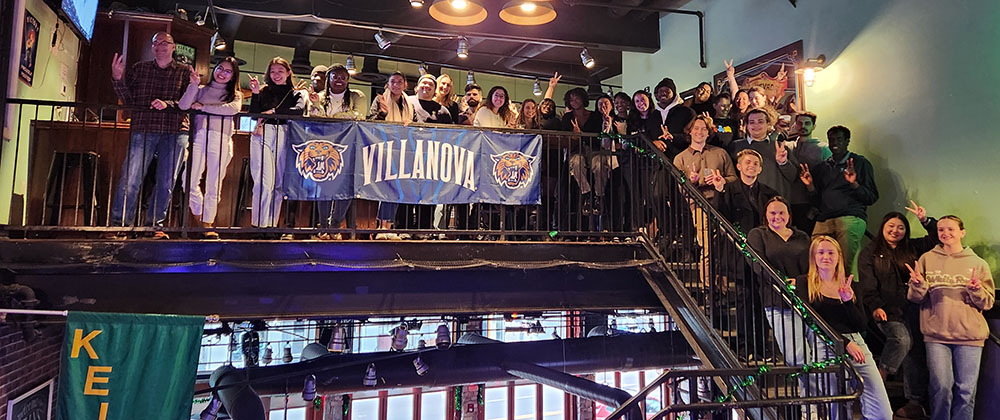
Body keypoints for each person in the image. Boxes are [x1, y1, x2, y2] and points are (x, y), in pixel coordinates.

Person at [907, 216, 994, 420]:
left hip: (970, 336)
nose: (945, 233)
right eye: (940, 230)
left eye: (950, 229)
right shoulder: (927, 259)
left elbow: (987, 303)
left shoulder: (978, 263)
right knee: (941, 388)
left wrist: (976, 291)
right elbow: (914, 298)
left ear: (962, 232)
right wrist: (919, 286)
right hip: (936, 336)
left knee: (966, 391)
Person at [797, 235, 893, 420]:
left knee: (882, 411)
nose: (826, 256)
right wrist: (844, 343)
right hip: (824, 343)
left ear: (839, 256)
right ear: (813, 257)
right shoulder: (804, 282)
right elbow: (813, 320)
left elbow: (861, 324)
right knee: (838, 409)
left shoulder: (850, 284)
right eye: (821, 252)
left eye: (831, 252)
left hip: (856, 343)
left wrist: (848, 302)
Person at [108, 32, 192, 239]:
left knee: (166, 182)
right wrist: (118, 78)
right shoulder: (139, 69)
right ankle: (119, 226)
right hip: (143, 127)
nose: (161, 46)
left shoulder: (184, 72)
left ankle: (154, 226)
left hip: (175, 131)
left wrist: (168, 104)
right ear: (152, 47)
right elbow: (129, 100)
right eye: (156, 42)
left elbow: (188, 103)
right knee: (130, 179)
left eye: (165, 43)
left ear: (174, 47)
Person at [859, 203, 938, 419]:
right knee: (902, 340)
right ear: (883, 227)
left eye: (900, 227)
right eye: (891, 226)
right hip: (885, 310)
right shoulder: (870, 253)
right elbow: (867, 285)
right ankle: (879, 375)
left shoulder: (911, 249)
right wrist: (875, 306)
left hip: (913, 308)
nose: (895, 230)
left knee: (914, 351)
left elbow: (936, 238)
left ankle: (914, 402)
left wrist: (925, 220)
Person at [799, 125, 878, 277]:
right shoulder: (821, 168)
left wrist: (854, 184)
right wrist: (810, 186)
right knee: (817, 264)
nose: (835, 143)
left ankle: (848, 298)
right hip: (824, 219)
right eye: (832, 139)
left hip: (850, 217)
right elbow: (816, 201)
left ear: (847, 141)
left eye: (839, 139)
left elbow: (871, 197)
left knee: (845, 267)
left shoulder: (860, 163)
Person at [178, 56, 243, 239]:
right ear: (215, 69)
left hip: (221, 138)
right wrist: (193, 85)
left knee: (214, 183)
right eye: (220, 68)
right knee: (188, 180)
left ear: (233, 76)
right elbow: (184, 105)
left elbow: (231, 109)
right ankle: (201, 217)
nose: (223, 73)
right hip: (199, 136)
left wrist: (203, 107)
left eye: (228, 71)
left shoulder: (235, 95)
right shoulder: (201, 89)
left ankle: (207, 224)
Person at [306, 63, 368, 239]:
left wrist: (330, 118)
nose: (339, 80)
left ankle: (335, 225)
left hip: (349, 147)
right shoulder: (318, 96)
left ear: (348, 80)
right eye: (335, 77)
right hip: (324, 148)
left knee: (346, 187)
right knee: (324, 185)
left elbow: (358, 116)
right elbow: (314, 117)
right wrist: (318, 106)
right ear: (329, 79)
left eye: (343, 77)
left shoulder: (357, 96)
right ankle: (323, 226)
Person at [248, 57, 305, 232]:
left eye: (280, 71)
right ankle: (259, 225)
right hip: (263, 132)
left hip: (285, 134)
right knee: (264, 181)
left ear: (288, 73)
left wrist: (274, 111)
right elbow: (252, 114)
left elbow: (299, 111)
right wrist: (255, 93)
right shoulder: (264, 91)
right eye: (272, 71)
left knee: (279, 182)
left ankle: (271, 226)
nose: (276, 75)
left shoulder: (296, 93)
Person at [368, 72, 414, 239]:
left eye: (399, 81)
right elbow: (371, 120)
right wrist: (382, 113)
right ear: (387, 84)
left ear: (405, 85)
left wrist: (410, 125)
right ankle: (381, 227)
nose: (396, 84)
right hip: (384, 146)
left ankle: (389, 226)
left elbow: (415, 124)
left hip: (402, 148)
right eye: (392, 81)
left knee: (397, 187)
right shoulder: (380, 99)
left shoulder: (409, 103)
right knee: (386, 186)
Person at [728, 108, 799, 200]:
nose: (756, 125)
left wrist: (783, 163)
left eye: (760, 122)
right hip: (745, 202)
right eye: (752, 122)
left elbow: (793, 177)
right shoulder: (736, 146)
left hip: (775, 203)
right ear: (747, 125)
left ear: (768, 124)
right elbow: (732, 176)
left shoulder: (780, 147)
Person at [708, 149, 777, 234]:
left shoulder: (769, 193)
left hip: (762, 239)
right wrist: (719, 189)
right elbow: (719, 215)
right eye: (748, 162)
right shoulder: (727, 189)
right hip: (735, 241)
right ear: (739, 167)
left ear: (760, 169)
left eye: (755, 163)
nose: (752, 165)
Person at [784, 111, 831, 234]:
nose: (803, 126)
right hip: (788, 201)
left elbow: (829, 179)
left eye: (807, 123)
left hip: (809, 203)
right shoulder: (787, 146)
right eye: (799, 123)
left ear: (813, 126)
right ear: (795, 125)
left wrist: (818, 205)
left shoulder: (823, 149)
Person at [652, 77, 695, 158]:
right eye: (660, 91)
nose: (663, 93)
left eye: (667, 90)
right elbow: (648, 136)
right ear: (657, 95)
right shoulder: (653, 115)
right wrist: (653, 143)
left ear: (674, 93)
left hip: (681, 161)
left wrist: (673, 137)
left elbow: (692, 136)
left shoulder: (687, 112)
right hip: (657, 163)